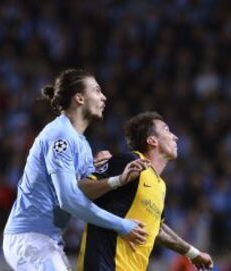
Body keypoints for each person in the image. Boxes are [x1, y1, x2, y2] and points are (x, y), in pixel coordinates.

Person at [3, 69, 149, 271]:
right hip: (31, 237)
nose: (104, 97)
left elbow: (83, 191)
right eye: (97, 91)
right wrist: (121, 225)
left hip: (48, 239)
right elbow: (70, 199)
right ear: (79, 98)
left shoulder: (82, 144)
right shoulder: (60, 136)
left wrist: (118, 179)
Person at [77, 111, 213, 271]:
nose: (175, 137)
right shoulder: (130, 161)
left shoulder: (160, 185)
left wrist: (192, 253)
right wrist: (118, 180)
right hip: (104, 265)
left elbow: (157, 228)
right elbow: (82, 188)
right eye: (167, 130)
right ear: (152, 140)